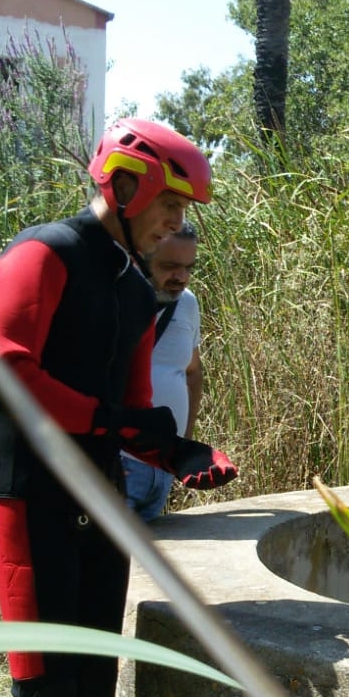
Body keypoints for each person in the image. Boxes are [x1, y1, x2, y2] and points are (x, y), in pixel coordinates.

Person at [0, 118, 239, 697]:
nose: (177, 224)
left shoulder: (134, 288)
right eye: (171, 205)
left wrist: (176, 450)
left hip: (99, 497)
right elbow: (5, 374)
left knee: (96, 678)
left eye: (183, 214)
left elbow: (126, 410)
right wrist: (110, 422)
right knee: (46, 689)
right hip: (25, 494)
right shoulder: (42, 254)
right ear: (126, 184)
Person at [122, 220, 205, 522]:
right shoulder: (115, 301)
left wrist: (184, 446)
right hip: (120, 466)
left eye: (188, 268)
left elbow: (192, 372)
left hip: (163, 467)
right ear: (143, 257)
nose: (181, 277)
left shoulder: (187, 304)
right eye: (170, 266)